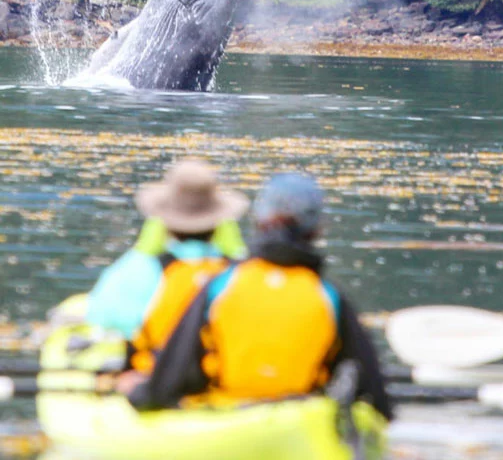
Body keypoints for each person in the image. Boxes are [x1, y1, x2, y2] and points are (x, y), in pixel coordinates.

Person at [124, 173, 393, 421]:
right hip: (298, 420)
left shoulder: (220, 286)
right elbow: (376, 400)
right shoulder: (330, 297)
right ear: (317, 230)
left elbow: (169, 379)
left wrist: (139, 395)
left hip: (224, 416)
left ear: (258, 221)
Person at [86, 159, 249, 373]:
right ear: (219, 223)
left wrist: (141, 251)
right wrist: (238, 252)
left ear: (163, 222)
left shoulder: (142, 268)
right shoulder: (240, 272)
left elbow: (103, 315)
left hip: (156, 375)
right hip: (221, 374)